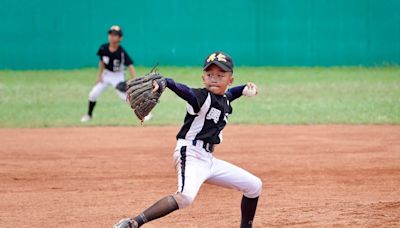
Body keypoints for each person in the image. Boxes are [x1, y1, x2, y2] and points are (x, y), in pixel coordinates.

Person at [114, 51, 262, 228]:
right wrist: (167, 82)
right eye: (209, 75)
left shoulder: (224, 99)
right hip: (190, 154)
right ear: (203, 78)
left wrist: (244, 88)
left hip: (208, 160)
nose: (214, 79)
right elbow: (186, 92)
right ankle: (133, 223)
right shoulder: (200, 97)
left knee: (254, 186)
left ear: (230, 80)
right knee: (185, 197)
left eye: (220, 75)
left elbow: (230, 95)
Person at [81, 25, 147, 122]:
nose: (112, 36)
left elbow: (130, 66)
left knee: (125, 97)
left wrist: (133, 81)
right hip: (106, 74)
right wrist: (99, 76)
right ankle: (89, 115)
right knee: (93, 93)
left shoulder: (121, 52)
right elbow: (101, 62)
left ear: (120, 38)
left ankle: (144, 114)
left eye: (115, 34)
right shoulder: (103, 48)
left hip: (118, 76)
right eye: (110, 34)